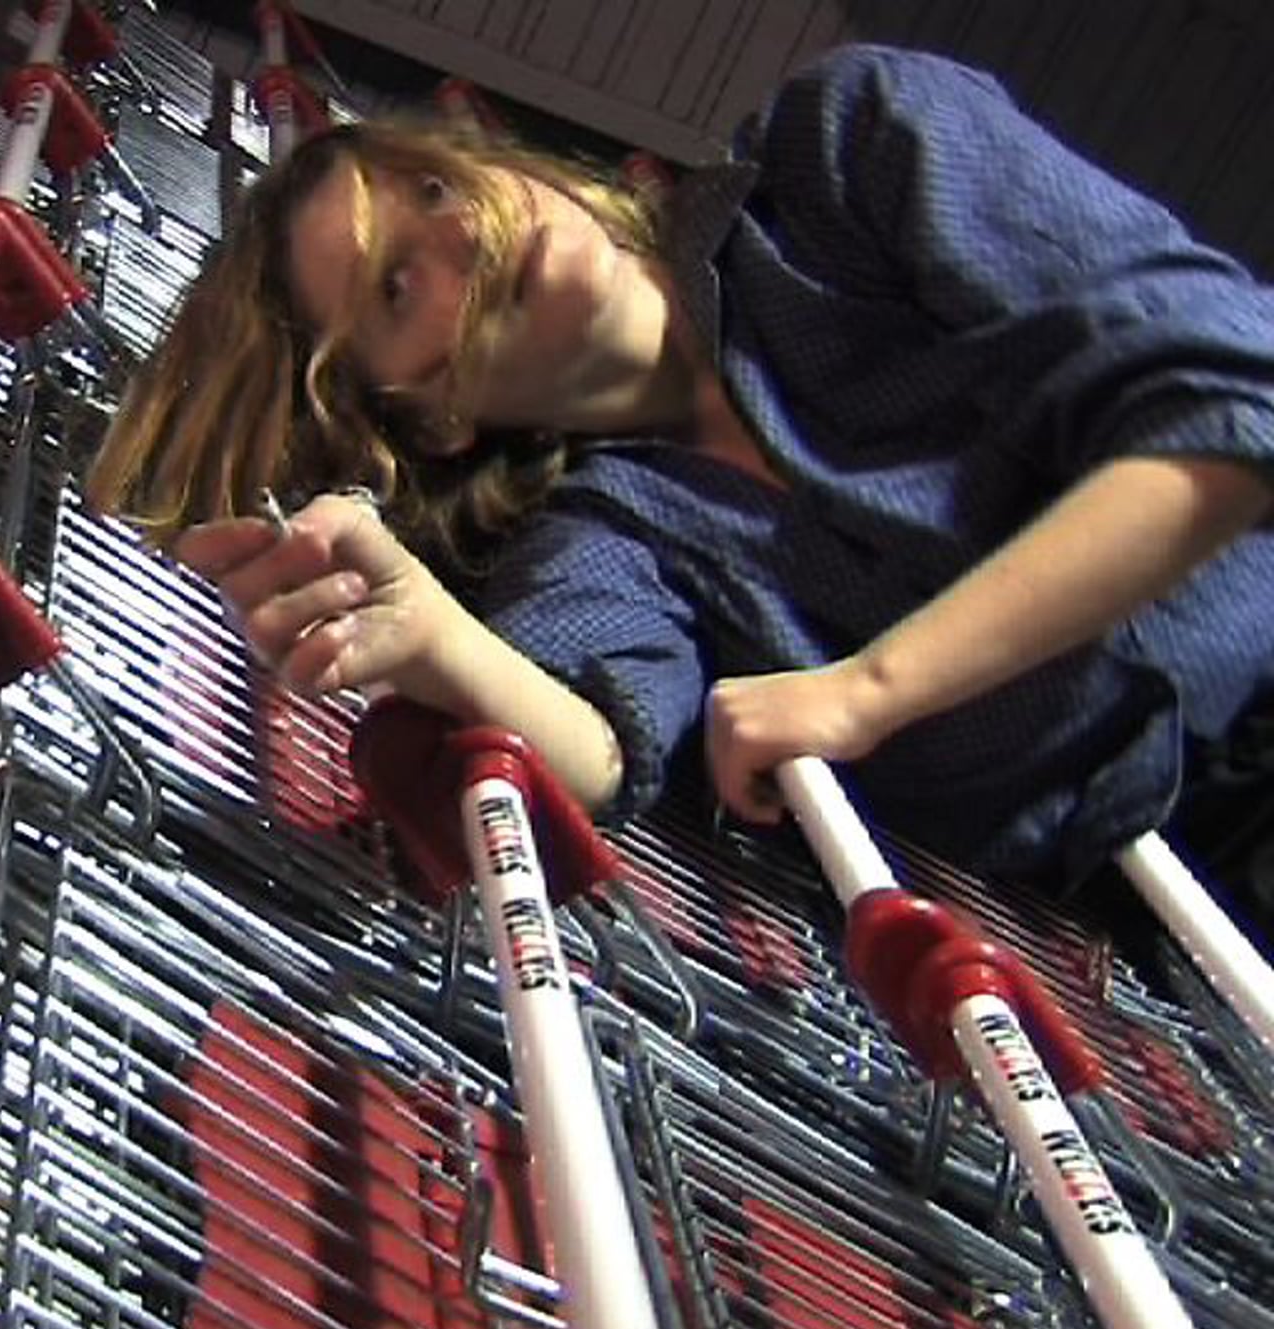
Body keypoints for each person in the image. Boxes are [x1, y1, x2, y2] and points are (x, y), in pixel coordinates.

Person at [84, 43, 1274, 887]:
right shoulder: (611, 530)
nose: (459, 231)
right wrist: (426, 635)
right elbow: (600, 746)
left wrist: (871, 691)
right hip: (1200, 893)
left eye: (434, 185)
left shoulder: (847, 150)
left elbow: (1234, 406)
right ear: (436, 419)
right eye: (398, 285)